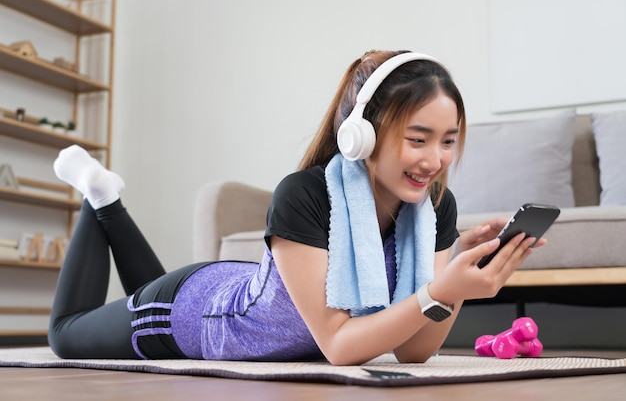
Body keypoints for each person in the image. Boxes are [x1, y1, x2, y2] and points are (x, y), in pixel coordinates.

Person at [48, 50, 544, 366]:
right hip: (200, 313)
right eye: (418, 139)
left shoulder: (435, 206)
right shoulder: (304, 195)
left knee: (132, 293)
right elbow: (340, 347)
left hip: (249, 285)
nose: (435, 160)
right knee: (67, 336)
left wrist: (454, 286)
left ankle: (106, 197)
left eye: (449, 141)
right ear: (362, 136)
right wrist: (440, 289)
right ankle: (99, 196)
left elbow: (413, 352)